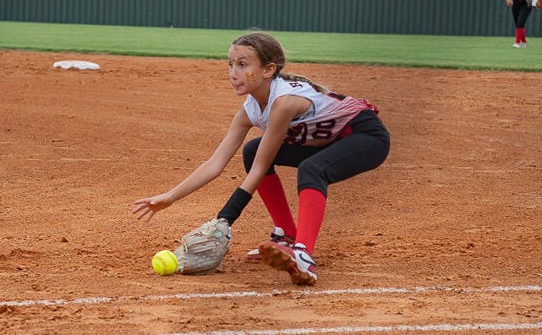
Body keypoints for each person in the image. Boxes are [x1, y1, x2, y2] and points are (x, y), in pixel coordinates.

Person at [133, 31, 390, 285]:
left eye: (243, 65)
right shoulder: (251, 110)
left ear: (268, 70)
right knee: (253, 149)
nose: (234, 73)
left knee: (312, 169)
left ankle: (303, 254)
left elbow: (259, 170)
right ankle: (286, 234)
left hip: (364, 137)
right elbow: (215, 162)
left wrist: (225, 218)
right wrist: (170, 196)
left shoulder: (284, 102)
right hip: (328, 141)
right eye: (231, 64)